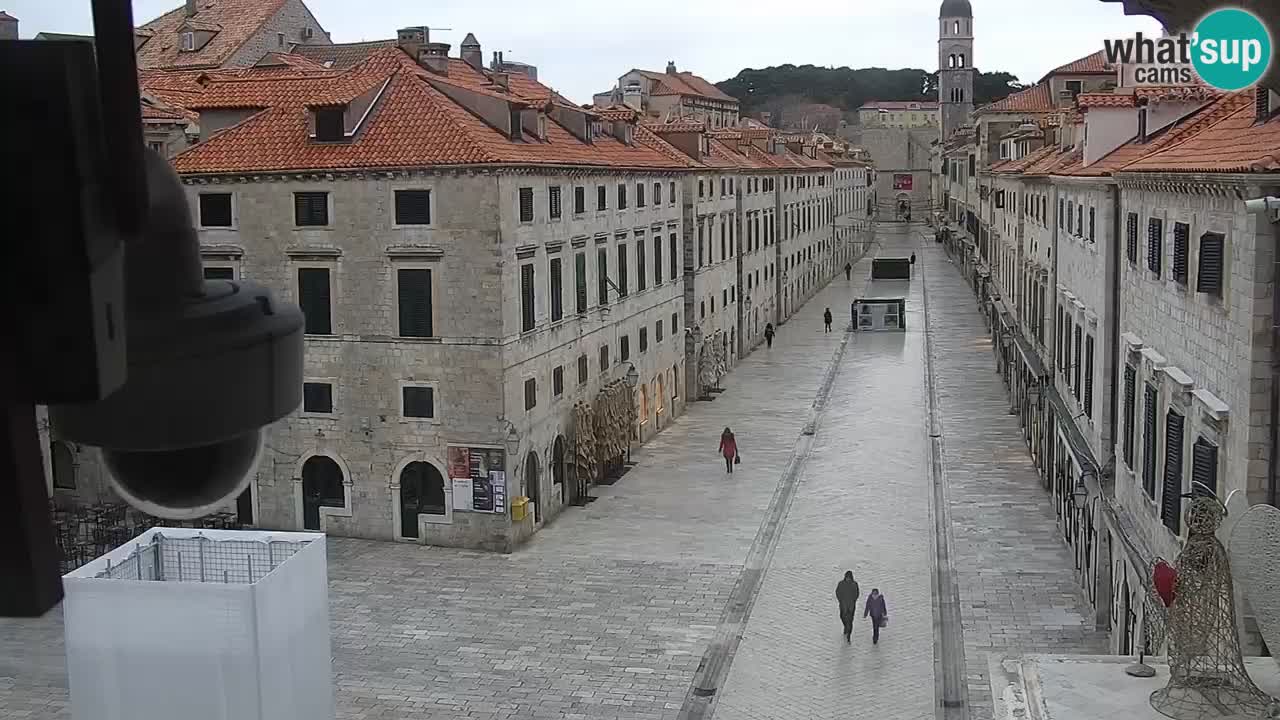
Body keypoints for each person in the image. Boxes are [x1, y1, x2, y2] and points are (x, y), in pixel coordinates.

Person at [835, 571, 861, 643]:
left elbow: (857, 593)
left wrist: (853, 600)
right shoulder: (841, 584)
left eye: (849, 578)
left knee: (850, 620)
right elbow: (837, 592)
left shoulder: (854, 584)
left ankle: (849, 634)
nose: (848, 579)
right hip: (843, 604)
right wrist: (840, 600)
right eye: (847, 578)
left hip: (851, 605)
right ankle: (846, 626)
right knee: (842, 616)